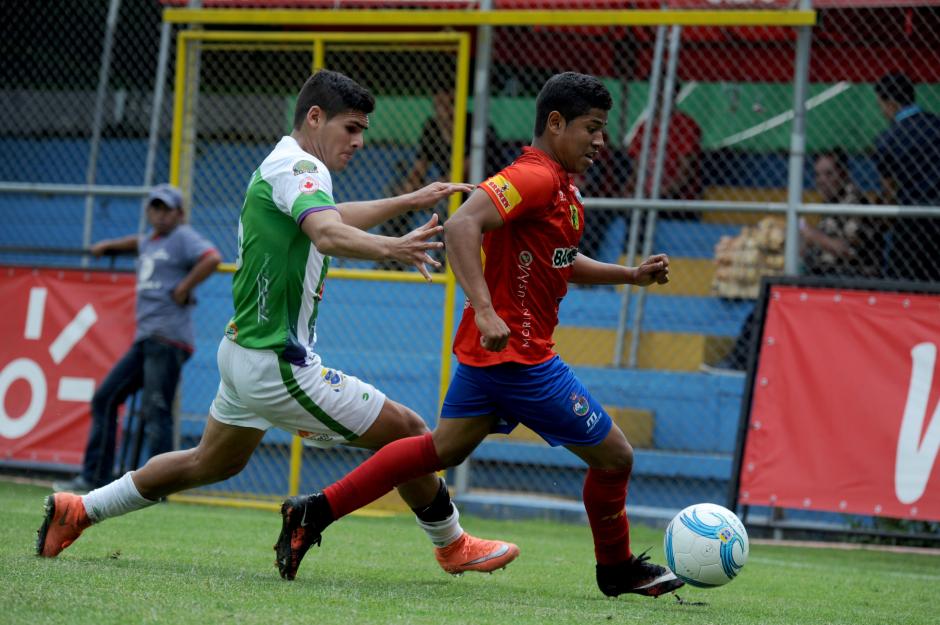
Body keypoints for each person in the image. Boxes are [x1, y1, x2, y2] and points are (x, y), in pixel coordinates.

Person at [37, 70, 519, 579]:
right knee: (409, 433)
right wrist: (393, 246)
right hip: (277, 363)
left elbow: (328, 216)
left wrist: (408, 201)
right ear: (315, 117)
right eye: (351, 128)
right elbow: (328, 232)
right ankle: (452, 544)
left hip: (245, 351)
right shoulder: (301, 166)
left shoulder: (286, 164)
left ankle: (80, 509)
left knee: (211, 462)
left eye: (363, 131)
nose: (359, 141)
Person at [272, 72, 683, 599]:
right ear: (555, 124)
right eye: (592, 128)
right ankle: (617, 568)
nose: (601, 141)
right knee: (616, 457)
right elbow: (464, 225)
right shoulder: (532, 176)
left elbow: (560, 261)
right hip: (519, 358)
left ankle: (314, 512)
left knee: (439, 449)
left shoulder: (560, 187)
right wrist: (486, 310)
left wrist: (628, 275)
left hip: (494, 354)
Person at [52, 184, 221, 494]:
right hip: (147, 339)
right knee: (106, 398)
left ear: (179, 214)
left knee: (157, 411)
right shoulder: (150, 241)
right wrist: (108, 247)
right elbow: (137, 243)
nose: (158, 213)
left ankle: (160, 487)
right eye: (154, 207)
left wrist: (183, 288)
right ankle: (94, 479)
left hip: (167, 339)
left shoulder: (182, 237)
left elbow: (211, 257)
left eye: (166, 209)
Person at [704, 149, 884, 374]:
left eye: (829, 174)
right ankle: (745, 361)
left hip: (851, 279)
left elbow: (849, 250)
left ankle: (740, 362)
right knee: (770, 295)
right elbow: (818, 246)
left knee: (772, 298)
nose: (823, 181)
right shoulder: (831, 204)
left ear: (844, 174)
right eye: (818, 175)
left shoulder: (855, 203)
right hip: (824, 276)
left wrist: (810, 235)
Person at [872, 72, 940, 282]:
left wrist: (883, 220)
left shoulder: (887, 140)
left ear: (890, 103)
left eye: (881, 105)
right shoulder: (936, 126)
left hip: (911, 220)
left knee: (904, 280)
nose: (882, 112)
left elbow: (889, 190)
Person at [625, 81, 702, 219]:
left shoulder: (685, 125)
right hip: (646, 194)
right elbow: (637, 168)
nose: (660, 96)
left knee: (644, 213)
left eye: (664, 92)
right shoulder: (646, 126)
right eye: (657, 92)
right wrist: (632, 189)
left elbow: (685, 171)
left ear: (674, 94)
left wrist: (662, 192)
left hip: (675, 197)